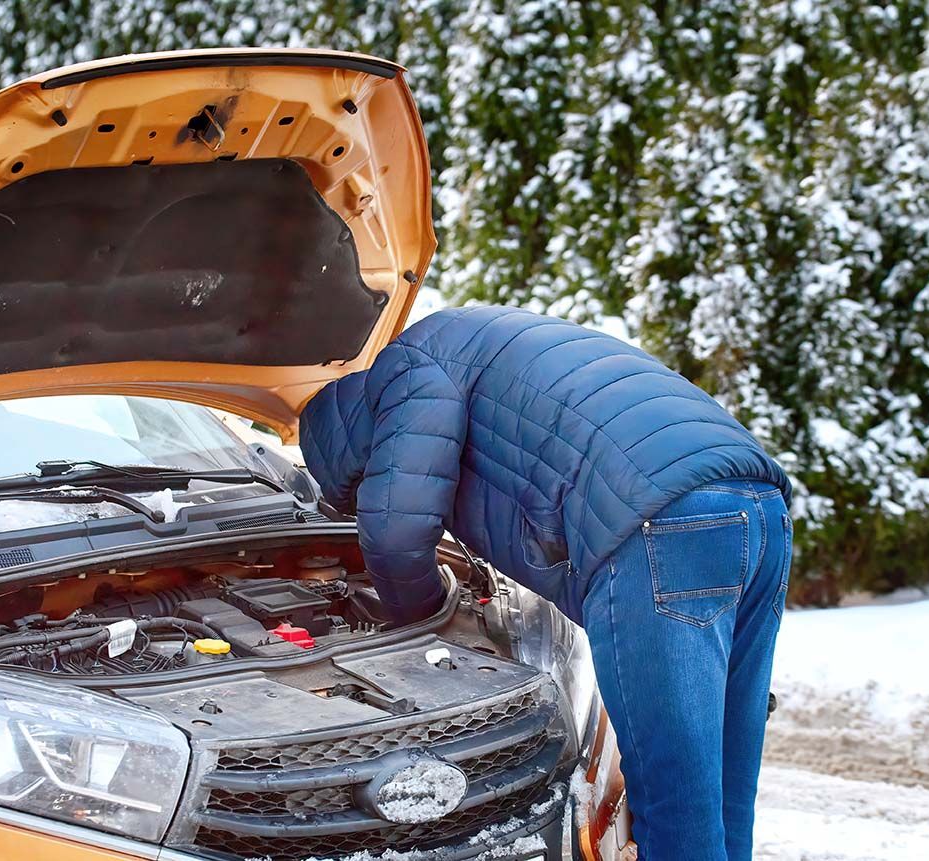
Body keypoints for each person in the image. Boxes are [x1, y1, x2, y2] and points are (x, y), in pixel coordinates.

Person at [298, 306, 792, 861]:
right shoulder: (472, 338)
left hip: (657, 525)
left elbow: (396, 529)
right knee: (725, 779)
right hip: (759, 507)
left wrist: (422, 627)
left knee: (675, 807)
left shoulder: (408, 368)